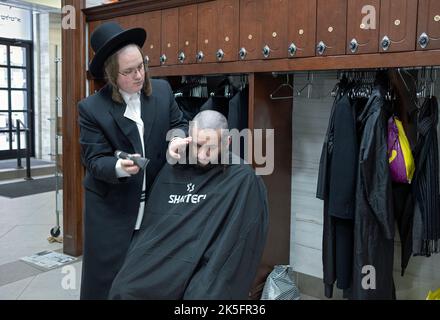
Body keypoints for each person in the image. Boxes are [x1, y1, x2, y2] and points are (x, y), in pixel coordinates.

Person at [78, 22, 189, 299]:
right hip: (110, 208)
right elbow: (94, 159)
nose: (139, 75)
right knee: (107, 281)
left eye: (141, 66)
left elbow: (179, 123)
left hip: (154, 204)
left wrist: (176, 140)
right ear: (111, 75)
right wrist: (119, 167)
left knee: (148, 276)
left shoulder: (162, 91)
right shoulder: (92, 109)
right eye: (129, 71)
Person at [108, 110, 269, 300]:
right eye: (198, 145)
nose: (202, 155)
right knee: (125, 288)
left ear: (227, 143)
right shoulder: (175, 167)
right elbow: (156, 224)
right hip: (167, 256)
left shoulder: (242, 178)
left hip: (210, 262)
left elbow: (238, 244)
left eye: (210, 147)